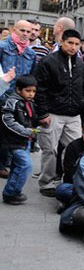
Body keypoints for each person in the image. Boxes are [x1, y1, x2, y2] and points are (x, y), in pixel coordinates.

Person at [34, 29, 84, 197]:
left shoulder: (81, 64)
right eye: (70, 43)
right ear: (62, 42)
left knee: (77, 148)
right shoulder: (48, 62)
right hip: (52, 114)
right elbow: (39, 89)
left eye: (77, 44)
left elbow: (82, 88)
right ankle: (46, 183)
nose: (73, 47)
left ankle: (70, 180)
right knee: (50, 150)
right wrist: (42, 114)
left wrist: (81, 103)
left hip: (73, 115)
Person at [1, 75, 38, 205]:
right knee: (25, 165)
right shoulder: (13, 102)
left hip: (24, 141)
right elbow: (8, 120)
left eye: (33, 91)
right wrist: (25, 131)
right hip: (13, 142)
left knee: (18, 166)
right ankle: (12, 192)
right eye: (28, 91)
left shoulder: (29, 103)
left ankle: (10, 193)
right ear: (18, 90)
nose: (31, 94)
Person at [56, 118, 84, 205]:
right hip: (78, 185)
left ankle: (81, 201)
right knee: (61, 190)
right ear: (82, 132)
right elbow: (69, 172)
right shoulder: (73, 147)